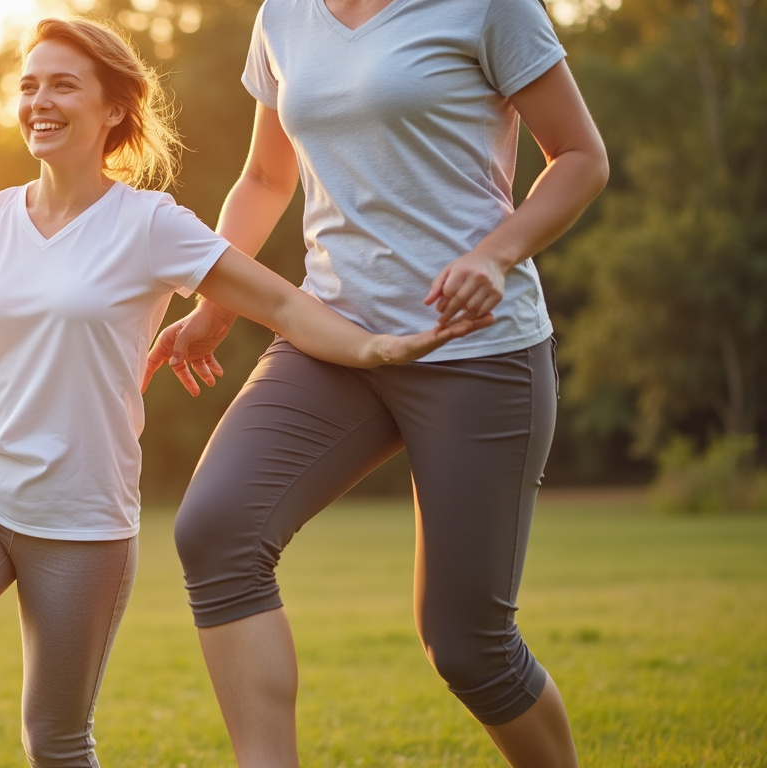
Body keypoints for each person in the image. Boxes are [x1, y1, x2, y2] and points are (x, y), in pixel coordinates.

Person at [0, 16, 490, 768]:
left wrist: (375, 347)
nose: (39, 101)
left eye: (63, 85)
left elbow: (279, 303)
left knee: (55, 744)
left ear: (114, 107)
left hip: (81, 520)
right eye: (28, 85)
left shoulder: (149, 224)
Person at [143, 1, 609, 766]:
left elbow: (581, 156)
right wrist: (217, 304)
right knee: (216, 530)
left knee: (468, 647)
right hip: (333, 337)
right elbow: (264, 177)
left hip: (475, 347)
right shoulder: (284, 16)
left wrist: (495, 254)